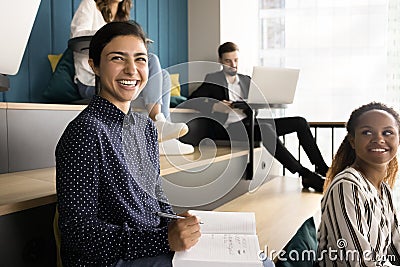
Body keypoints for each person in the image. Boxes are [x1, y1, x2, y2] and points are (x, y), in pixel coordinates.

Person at [56, 21, 201, 266]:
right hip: (110, 261)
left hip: (150, 246)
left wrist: (175, 224)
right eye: (118, 58)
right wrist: (164, 239)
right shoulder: (86, 132)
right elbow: (78, 235)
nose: (132, 69)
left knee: (256, 260)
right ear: (95, 66)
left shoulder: (145, 128)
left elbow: (156, 198)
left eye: (140, 59)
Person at [189, 42, 328, 192]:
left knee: (300, 122)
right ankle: (304, 174)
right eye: (228, 61)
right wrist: (215, 106)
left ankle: (323, 168)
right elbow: (190, 101)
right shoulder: (213, 79)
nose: (233, 64)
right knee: (266, 128)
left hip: (250, 123)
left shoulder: (246, 80)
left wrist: (266, 99)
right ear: (220, 61)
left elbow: (257, 101)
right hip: (229, 129)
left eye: (236, 60)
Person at [70, 0, 193, 155]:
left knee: (164, 76)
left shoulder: (121, 14)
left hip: (121, 84)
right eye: (118, 56)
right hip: (91, 81)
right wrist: (112, 38)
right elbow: (77, 34)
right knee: (152, 59)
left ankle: (162, 130)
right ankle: (157, 123)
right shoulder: (90, 4)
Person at [317, 102, 400, 266]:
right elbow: (358, 263)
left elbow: (395, 250)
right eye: (367, 132)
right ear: (353, 141)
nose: (379, 139)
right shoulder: (347, 185)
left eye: (387, 132)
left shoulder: (383, 190)